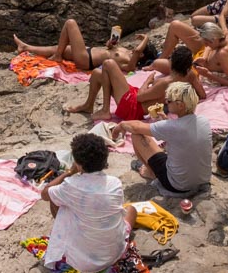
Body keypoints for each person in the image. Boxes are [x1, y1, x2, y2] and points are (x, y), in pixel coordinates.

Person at [38, 133, 135, 273]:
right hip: (115, 253)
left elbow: (45, 194)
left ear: (78, 164)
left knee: (57, 199)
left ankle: (67, 236)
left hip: (83, 262)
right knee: (131, 209)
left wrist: (69, 172)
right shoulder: (115, 183)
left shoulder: (71, 186)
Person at [117, 81, 211, 199]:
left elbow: (136, 127)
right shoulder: (203, 121)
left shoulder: (172, 127)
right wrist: (166, 120)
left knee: (136, 135)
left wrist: (120, 126)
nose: (166, 102)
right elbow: (180, 134)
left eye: (169, 101)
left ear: (180, 105)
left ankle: (151, 172)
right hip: (202, 179)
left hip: (177, 185)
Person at [69, 43, 203, 118]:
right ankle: (88, 105)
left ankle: (105, 110)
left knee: (109, 63)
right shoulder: (189, 75)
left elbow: (139, 98)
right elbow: (203, 95)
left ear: (172, 62)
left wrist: (148, 81)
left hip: (132, 108)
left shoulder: (165, 83)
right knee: (98, 73)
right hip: (135, 101)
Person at [15, 19, 145, 74]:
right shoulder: (127, 52)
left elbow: (138, 51)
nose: (135, 48)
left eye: (139, 50)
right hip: (88, 51)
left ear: (142, 55)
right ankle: (25, 47)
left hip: (86, 59)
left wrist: (146, 39)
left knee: (70, 23)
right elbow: (108, 49)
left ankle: (58, 57)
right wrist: (111, 43)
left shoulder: (130, 63)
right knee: (59, 46)